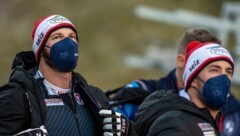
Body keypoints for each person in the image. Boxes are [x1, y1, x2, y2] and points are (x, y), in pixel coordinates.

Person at [0, 14, 133, 136]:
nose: (67, 43)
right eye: (57, 37)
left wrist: (129, 131)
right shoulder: (16, 97)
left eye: (72, 37)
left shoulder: (95, 96)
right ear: (40, 49)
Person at [108, 29, 240, 136]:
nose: (221, 77)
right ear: (183, 62)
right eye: (214, 68)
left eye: (228, 71)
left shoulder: (231, 108)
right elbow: (104, 121)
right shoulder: (142, 93)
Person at [135, 40, 234, 136]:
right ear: (193, 79)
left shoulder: (201, 121)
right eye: (214, 70)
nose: (223, 77)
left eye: (228, 72)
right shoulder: (176, 123)